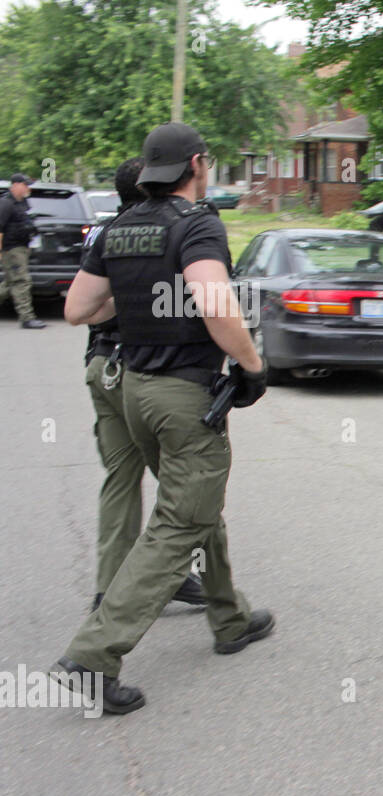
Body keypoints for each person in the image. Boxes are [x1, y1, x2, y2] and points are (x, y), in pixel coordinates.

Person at [51, 122, 274, 715]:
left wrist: (133, 298)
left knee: (194, 504)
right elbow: (214, 303)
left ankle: (231, 620)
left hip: (134, 392)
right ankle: (93, 656)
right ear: (198, 164)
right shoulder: (196, 223)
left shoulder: (117, 226)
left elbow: (77, 309)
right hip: (182, 394)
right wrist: (251, 365)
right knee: (179, 522)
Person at [83, 156, 206, 612]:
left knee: (120, 478)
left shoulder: (104, 232)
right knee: (189, 488)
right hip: (141, 371)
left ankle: (108, 589)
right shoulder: (167, 231)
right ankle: (200, 583)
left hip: (100, 365)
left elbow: (84, 304)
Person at [0, 172, 45, 329]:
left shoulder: (21, 203)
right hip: (12, 249)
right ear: (15, 185)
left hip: (22, 248)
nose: (28, 188)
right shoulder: (6, 203)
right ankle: (27, 318)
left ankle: (27, 317)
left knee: (10, 283)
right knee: (22, 282)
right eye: (25, 185)